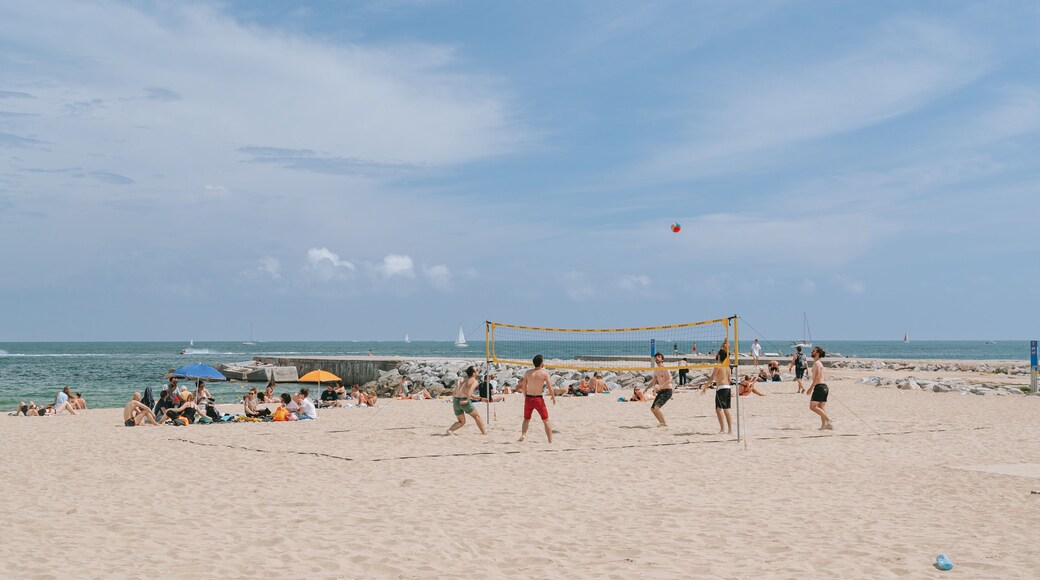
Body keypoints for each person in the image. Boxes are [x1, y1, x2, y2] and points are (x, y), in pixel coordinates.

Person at [517, 354, 556, 443]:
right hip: (538, 399)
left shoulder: (528, 373)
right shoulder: (544, 374)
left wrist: (525, 395)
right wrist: (553, 397)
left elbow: (523, 386)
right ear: (542, 363)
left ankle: (523, 434)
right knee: (545, 420)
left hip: (529, 398)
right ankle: (550, 441)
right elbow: (550, 388)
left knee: (526, 419)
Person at [446, 365, 487, 435]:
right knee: (476, 416)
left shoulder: (464, 380)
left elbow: (458, 391)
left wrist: (480, 398)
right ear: (473, 373)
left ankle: (450, 430)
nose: (478, 371)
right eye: (477, 370)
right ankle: (484, 433)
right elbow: (470, 392)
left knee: (461, 421)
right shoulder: (474, 381)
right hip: (464, 401)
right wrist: (467, 400)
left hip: (456, 401)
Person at [701, 349, 733, 434]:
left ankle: (722, 429)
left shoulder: (718, 366)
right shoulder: (728, 367)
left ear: (719, 356)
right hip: (728, 387)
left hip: (721, 388)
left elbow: (712, 378)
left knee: (718, 409)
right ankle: (730, 429)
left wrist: (705, 387)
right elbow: (729, 380)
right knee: (726, 409)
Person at [644, 352, 673, 427]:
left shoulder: (665, 368)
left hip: (667, 391)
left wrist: (661, 386)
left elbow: (670, 379)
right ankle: (661, 423)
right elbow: (653, 381)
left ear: (662, 359)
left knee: (656, 408)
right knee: (652, 409)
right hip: (661, 391)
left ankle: (664, 423)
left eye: (659, 357)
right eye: (656, 357)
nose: (657, 358)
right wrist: (646, 388)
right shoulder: (656, 370)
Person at [807, 346, 832, 430]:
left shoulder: (817, 363)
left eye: (813, 351)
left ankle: (828, 420)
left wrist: (810, 388)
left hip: (820, 387)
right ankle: (824, 426)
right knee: (821, 407)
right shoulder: (819, 363)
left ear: (817, 353)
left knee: (812, 407)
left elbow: (817, 377)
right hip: (824, 387)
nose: (812, 352)